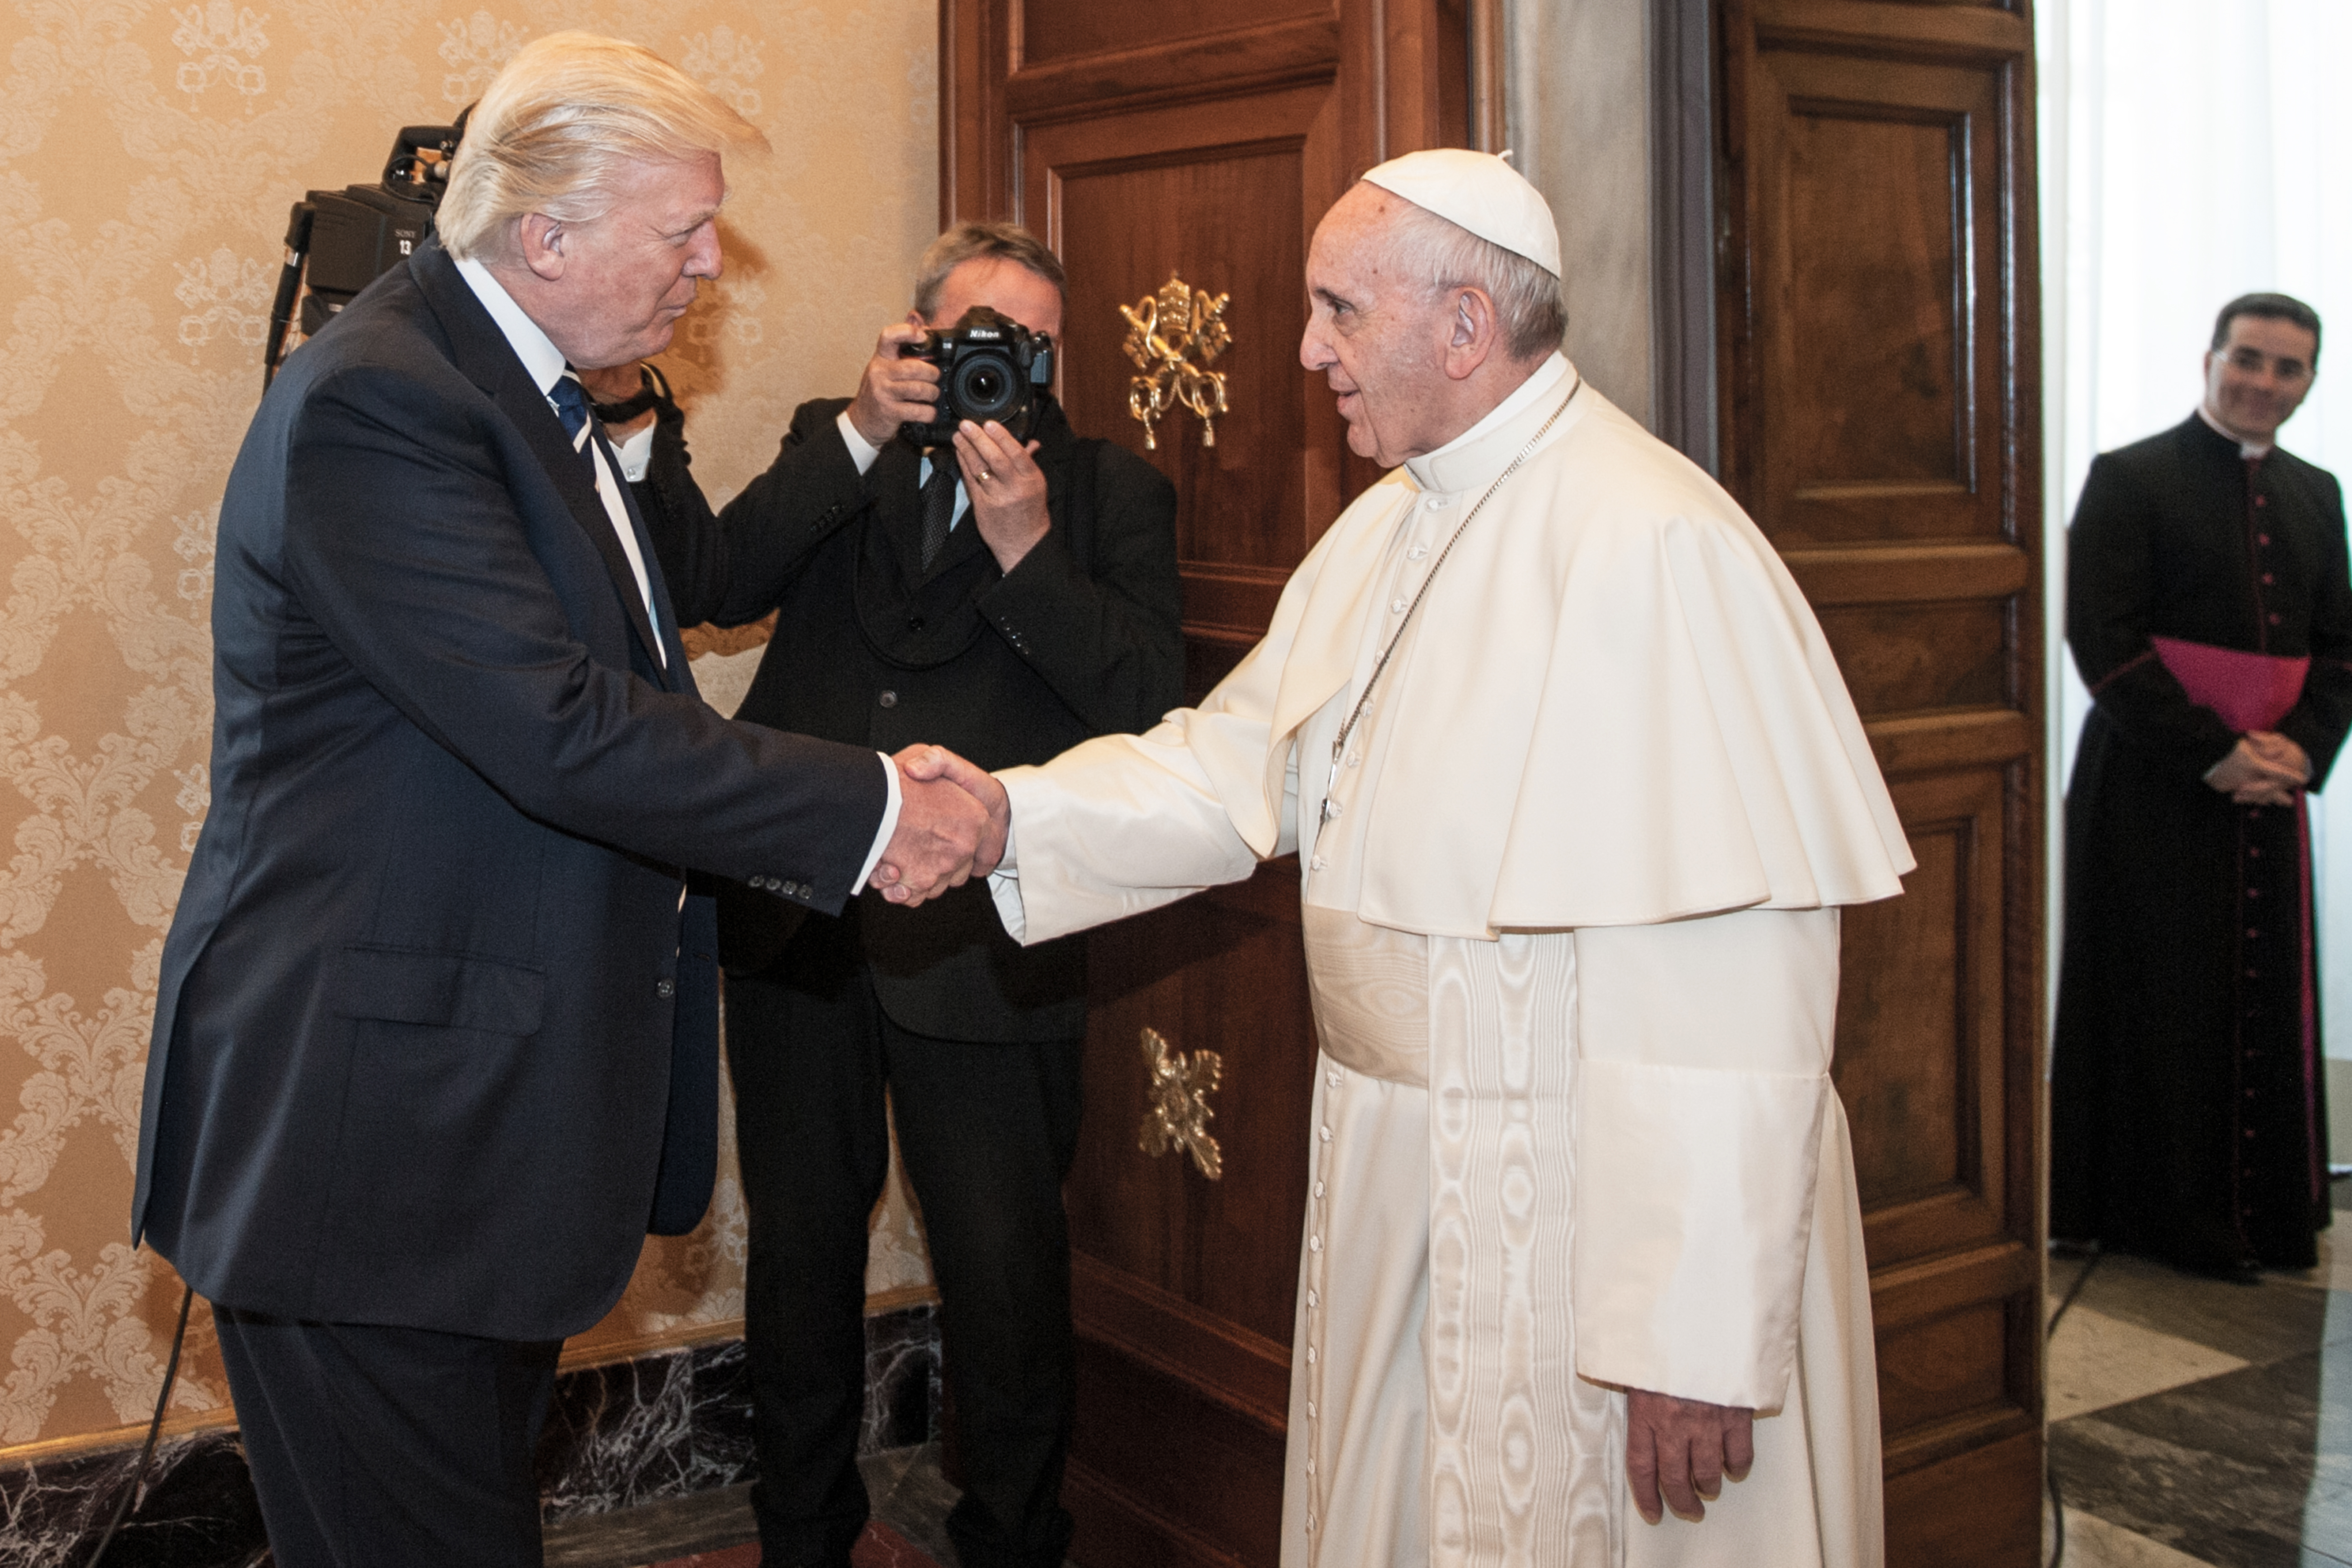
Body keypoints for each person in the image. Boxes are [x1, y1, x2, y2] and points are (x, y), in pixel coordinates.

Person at [919, 150, 1913, 1567]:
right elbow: (1230, 766)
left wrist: (1688, 1331)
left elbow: (1733, 980)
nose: (1307, 348)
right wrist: (1007, 816)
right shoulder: (1389, 523)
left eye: (1338, 310)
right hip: (1403, 1173)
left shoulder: (1652, 542)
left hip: (1586, 1233)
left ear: (1464, 325)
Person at [130, 34, 996, 1567]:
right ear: (545, 237)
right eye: (682, 233)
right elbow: (565, 730)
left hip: (453, 1154)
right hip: (375, 1152)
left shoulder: (525, 395)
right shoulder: (385, 404)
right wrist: (869, 809)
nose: (709, 267)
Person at [609, 222, 1181, 1568]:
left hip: (990, 940)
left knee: (1003, 1269)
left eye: (1030, 343)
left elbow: (1158, 710)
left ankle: (1014, 1540)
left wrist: (1029, 546)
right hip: (800, 915)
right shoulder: (839, 439)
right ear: (914, 336)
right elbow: (719, 585)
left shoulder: (1107, 492)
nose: (1002, 362)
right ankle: (803, 1536)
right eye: (973, 333)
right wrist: (863, 428)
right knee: (800, 1249)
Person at [2053, 292, 2349, 1278]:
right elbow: (2102, 639)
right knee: (2163, 998)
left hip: (2271, 787)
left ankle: (2267, 1215)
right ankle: (2160, 1215)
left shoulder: (2319, 492)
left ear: (2309, 381)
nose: (2265, 384)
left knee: (2262, 999)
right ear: (2211, 357)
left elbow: (2339, 650)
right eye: (2250, 360)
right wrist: (2214, 754)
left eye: (2289, 369)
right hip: (2153, 781)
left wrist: (2301, 751)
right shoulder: (2131, 478)